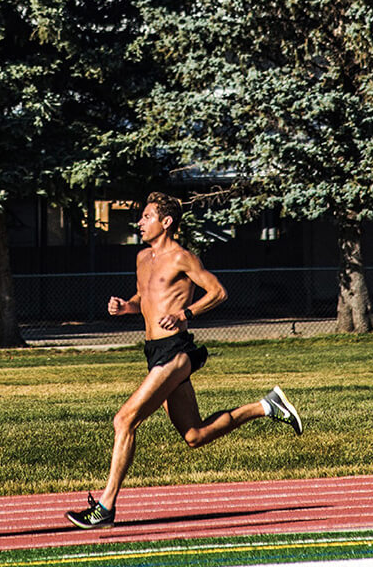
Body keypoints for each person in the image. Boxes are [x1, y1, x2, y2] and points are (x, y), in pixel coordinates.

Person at [65, 192, 302, 529]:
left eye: (147, 217)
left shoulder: (182, 258)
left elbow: (218, 291)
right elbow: (143, 299)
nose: (140, 222)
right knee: (194, 435)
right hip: (153, 353)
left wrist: (184, 313)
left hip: (176, 351)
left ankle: (106, 507)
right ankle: (267, 406)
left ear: (166, 222)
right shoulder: (142, 258)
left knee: (124, 420)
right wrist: (126, 306)